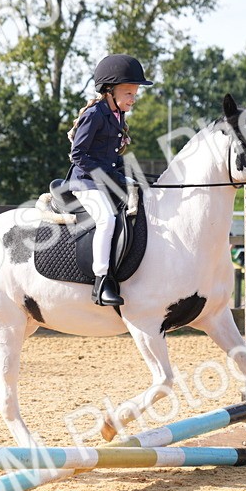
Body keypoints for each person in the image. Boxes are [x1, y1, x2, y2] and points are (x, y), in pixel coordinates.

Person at [67, 54, 153, 306]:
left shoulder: (117, 115)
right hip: (86, 182)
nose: (133, 99)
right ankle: (101, 281)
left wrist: (130, 177)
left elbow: (111, 157)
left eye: (134, 94)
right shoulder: (94, 114)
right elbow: (78, 155)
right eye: (128, 93)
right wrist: (111, 177)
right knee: (107, 219)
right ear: (109, 91)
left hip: (107, 179)